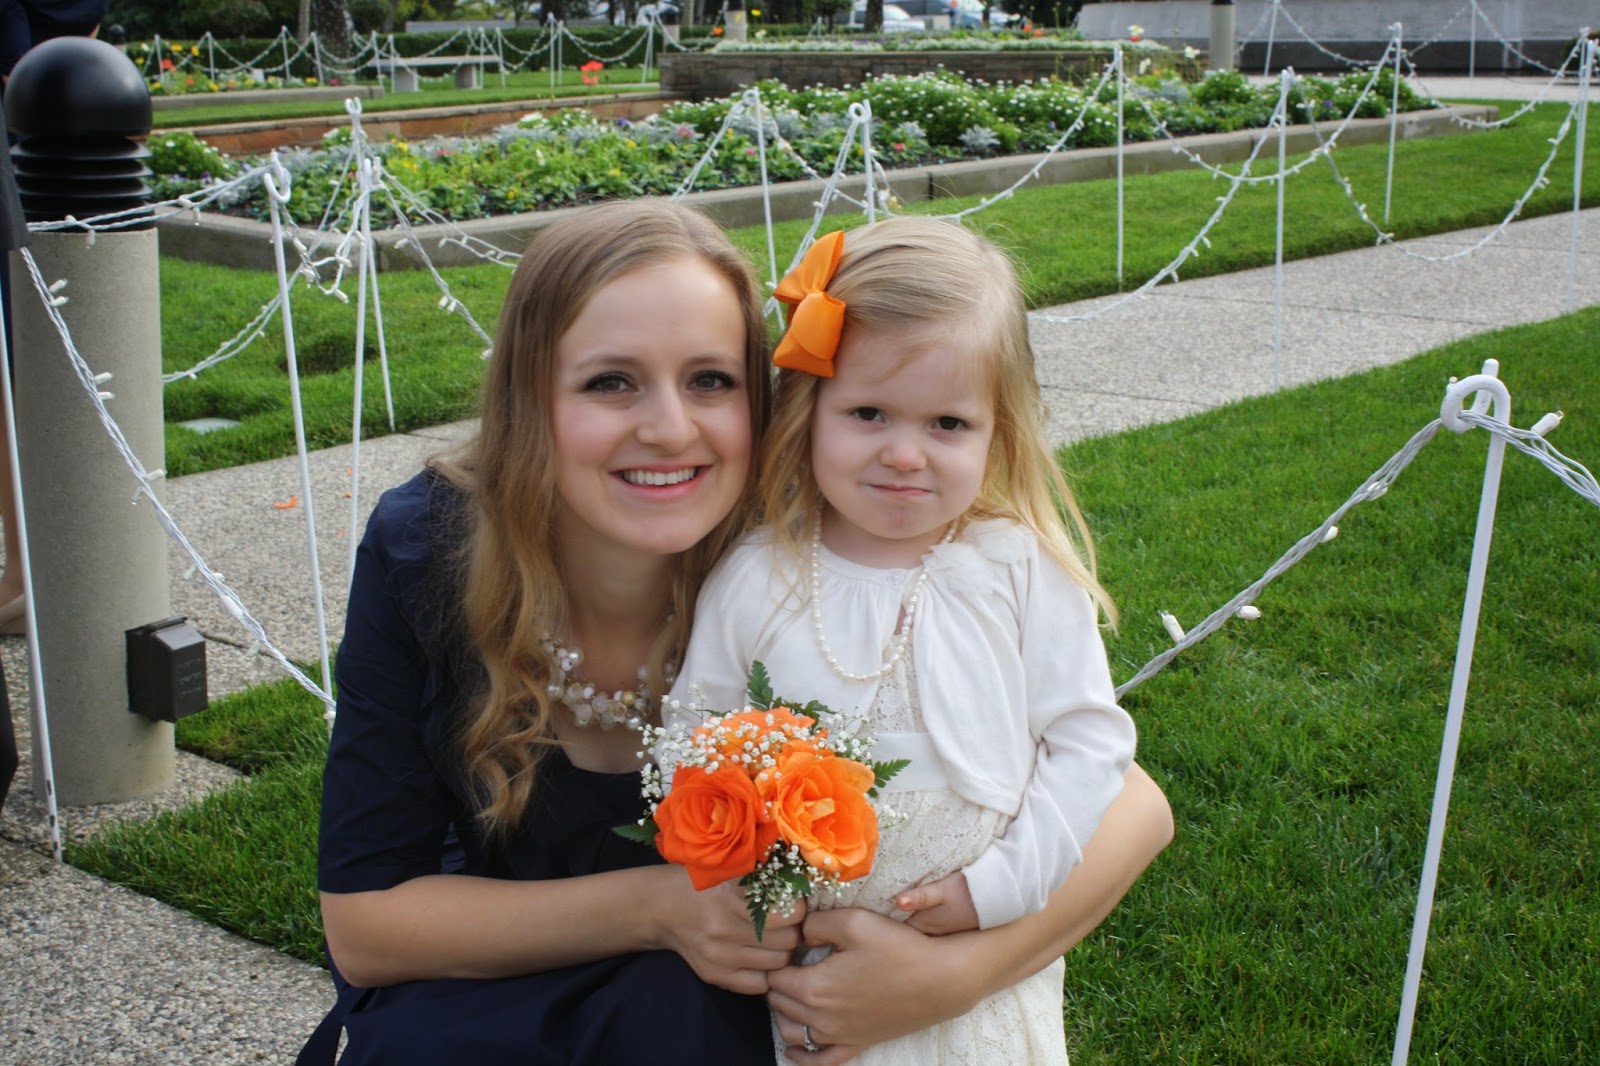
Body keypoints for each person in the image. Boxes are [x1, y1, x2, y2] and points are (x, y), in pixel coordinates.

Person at [306, 200, 1173, 1064]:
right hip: (500, 979)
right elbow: (365, 928)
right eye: (611, 381)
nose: (669, 429)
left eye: (711, 381)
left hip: (723, 1005)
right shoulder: (432, 553)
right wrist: (660, 908)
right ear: (531, 397)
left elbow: (1130, 802)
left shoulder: (813, 542)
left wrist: (958, 976)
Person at [669, 216, 1134, 1064]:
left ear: (998, 429)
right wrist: (743, 883)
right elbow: (694, 736)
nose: (906, 454)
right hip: (816, 964)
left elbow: (1089, 744)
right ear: (809, 412)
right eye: (869, 413)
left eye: (947, 424)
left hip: (975, 948)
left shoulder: (1018, 570)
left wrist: (1001, 888)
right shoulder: (758, 578)